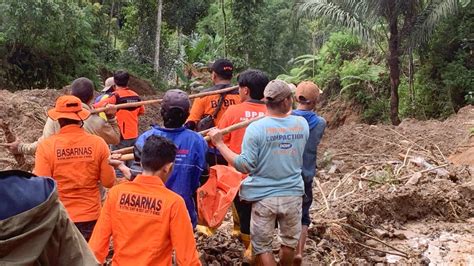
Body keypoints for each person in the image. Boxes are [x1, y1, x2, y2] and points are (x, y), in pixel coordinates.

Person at [208, 80, 309, 266]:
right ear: (287, 101)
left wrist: (220, 143)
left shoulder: (256, 128)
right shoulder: (301, 124)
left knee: (262, 247)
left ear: (265, 100)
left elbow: (244, 165)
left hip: (263, 197)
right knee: (289, 243)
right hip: (292, 194)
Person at [89, 135, 201, 265]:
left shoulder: (116, 194)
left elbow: (96, 246)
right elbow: (187, 258)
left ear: (141, 163)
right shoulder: (173, 203)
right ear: (168, 167)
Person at [34, 95, 116, 241]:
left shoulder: (46, 147)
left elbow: (42, 188)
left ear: (58, 119)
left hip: (59, 216)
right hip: (90, 216)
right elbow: (109, 182)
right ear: (81, 117)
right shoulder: (98, 144)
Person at [130, 89, 208, 228]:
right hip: (184, 210)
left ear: (161, 112)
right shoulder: (198, 141)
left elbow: (136, 176)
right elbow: (203, 176)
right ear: (188, 115)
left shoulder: (145, 139)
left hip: (150, 210)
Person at [216, 69, 269, 262]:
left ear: (245, 90)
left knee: (244, 212)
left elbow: (219, 138)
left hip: (239, 175)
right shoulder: (271, 113)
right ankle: (257, 244)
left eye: (239, 88)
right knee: (261, 214)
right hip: (266, 175)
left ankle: (250, 249)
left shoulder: (233, 111)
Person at [0, 170, 100, 265]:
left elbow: (42, 172)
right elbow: (108, 181)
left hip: (62, 214)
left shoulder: (46, 151)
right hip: (80, 213)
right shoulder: (39, 193)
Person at [7, 77, 120, 155]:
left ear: (71, 94)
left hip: (60, 183)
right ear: (92, 97)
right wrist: (111, 117)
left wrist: (21, 147)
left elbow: (43, 144)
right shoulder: (97, 123)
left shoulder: (54, 118)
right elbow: (115, 139)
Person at [291, 81, 326, 265]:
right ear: (315, 101)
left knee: (286, 215)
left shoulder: (286, 120)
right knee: (303, 216)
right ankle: (299, 251)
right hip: (306, 176)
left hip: (286, 176)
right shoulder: (320, 123)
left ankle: (284, 249)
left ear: (296, 98)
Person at [94, 70, 145, 151]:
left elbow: (97, 107)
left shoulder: (115, 96)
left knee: (117, 160)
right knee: (131, 159)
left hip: (120, 136)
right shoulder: (136, 96)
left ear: (114, 81)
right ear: (128, 81)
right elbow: (142, 111)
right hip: (133, 134)